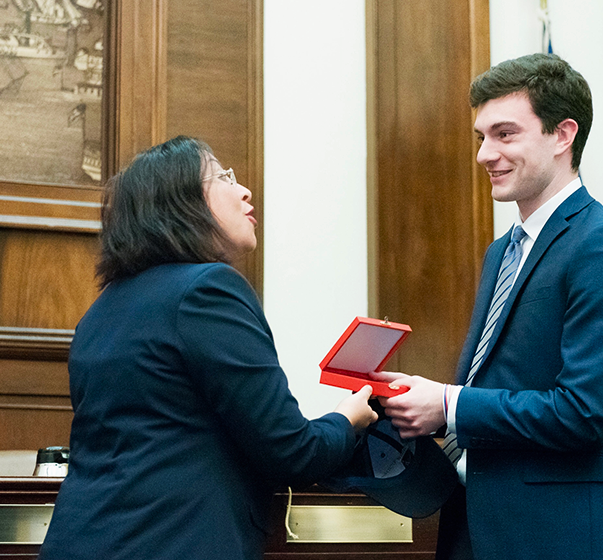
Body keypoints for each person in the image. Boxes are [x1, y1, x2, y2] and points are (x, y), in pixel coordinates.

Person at [37, 136, 378, 560]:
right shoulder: (207, 289)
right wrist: (349, 418)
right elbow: (292, 452)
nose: (245, 190)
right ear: (180, 204)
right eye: (223, 177)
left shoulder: (100, 312)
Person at [373, 53, 603, 560]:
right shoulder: (501, 251)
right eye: (481, 136)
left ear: (563, 135)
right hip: (474, 529)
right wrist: (423, 409)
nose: (484, 153)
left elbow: (586, 413)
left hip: (560, 538)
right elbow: (500, 388)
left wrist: (449, 404)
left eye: (504, 134)